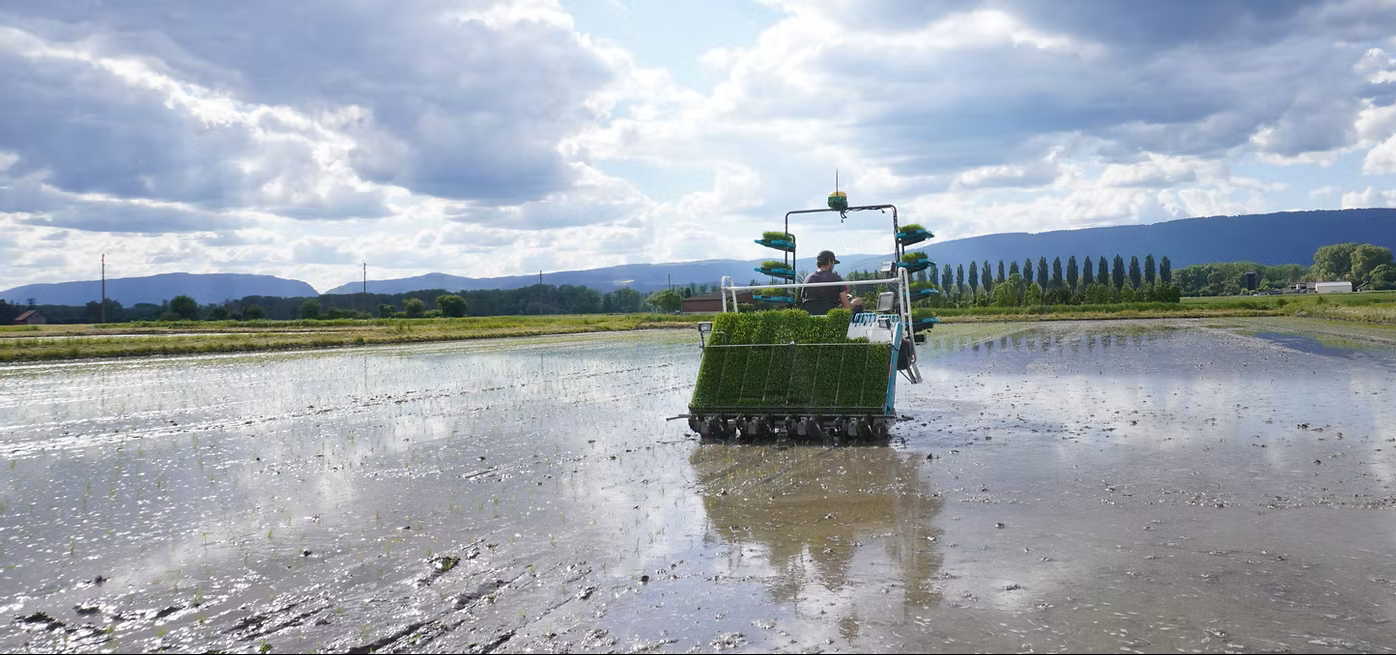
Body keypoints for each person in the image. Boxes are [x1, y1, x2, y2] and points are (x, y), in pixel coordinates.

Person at [801, 250, 851, 315]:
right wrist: (855, 303)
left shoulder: (808, 279)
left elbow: (803, 300)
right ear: (829, 261)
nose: (833, 266)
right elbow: (847, 306)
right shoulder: (836, 279)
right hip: (830, 318)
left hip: (811, 318)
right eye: (833, 263)